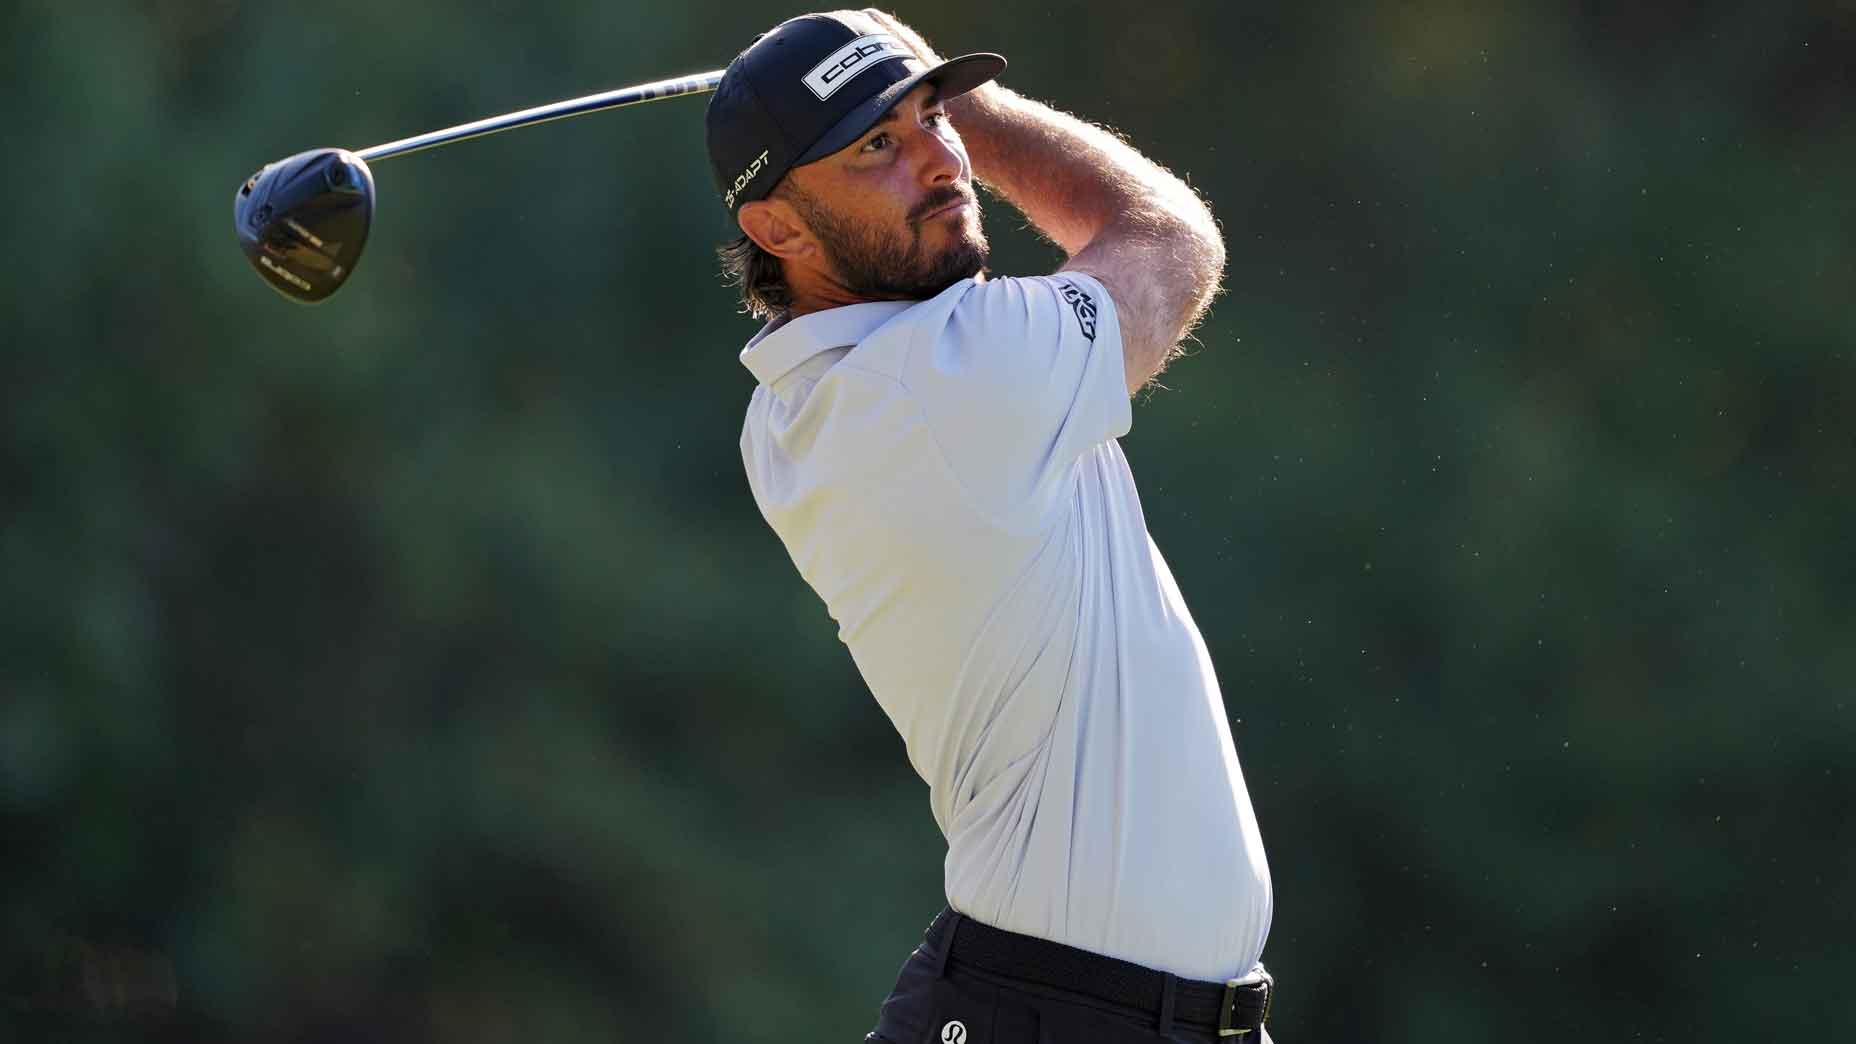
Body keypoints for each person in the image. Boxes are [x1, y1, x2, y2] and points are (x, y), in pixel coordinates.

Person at [705, 10, 1275, 1042]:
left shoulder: (802, 404)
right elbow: (1167, 238)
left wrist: (900, 102)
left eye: (931, 118)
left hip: (1087, 1010)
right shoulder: (942, 379)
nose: (938, 158)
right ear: (777, 229)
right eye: (878, 144)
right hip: (1062, 1012)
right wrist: (984, 109)